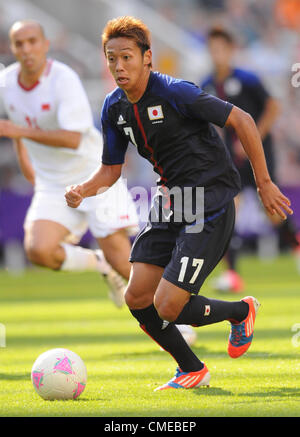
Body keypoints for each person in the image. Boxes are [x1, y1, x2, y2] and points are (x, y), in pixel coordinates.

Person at [65, 16, 293, 390]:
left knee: (168, 305)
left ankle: (240, 311)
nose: (118, 67)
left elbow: (244, 119)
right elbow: (110, 169)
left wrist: (264, 183)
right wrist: (82, 190)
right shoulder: (113, 107)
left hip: (212, 203)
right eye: (111, 59)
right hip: (171, 201)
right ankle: (191, 368)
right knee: (136, 296)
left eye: (126, 57)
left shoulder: (176, 92)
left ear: (147, 58)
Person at [0, 20, 140, 308]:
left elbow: (73, 138)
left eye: (32, 41)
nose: (26, 49)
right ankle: (100, 264)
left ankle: (177, 320)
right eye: (19, 43)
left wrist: (20, 132)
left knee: (123, 261)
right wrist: (34, 175)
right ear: (12, 48)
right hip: (53, 183)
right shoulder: (8, 84)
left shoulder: (63, 79)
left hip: (94, 173)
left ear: (45, 45)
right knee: (39, 250)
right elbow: (17, 136)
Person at [201, 27, 300, 292]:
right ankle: (232, 274)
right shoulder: (207, 84)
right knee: (226, 211)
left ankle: (296, 247)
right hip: (229, 160)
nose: (216, 54)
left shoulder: (247, 79)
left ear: (231, 50)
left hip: (258, 158)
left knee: (273, 212)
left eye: (221, 48)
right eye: (212, 49)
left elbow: (274, 107)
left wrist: (253, 137)